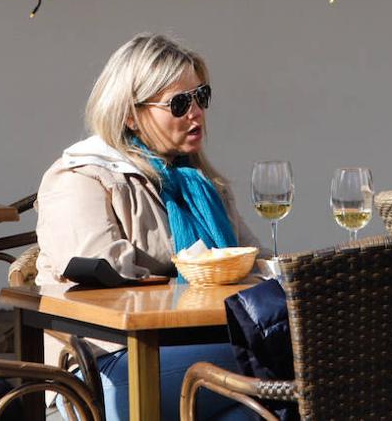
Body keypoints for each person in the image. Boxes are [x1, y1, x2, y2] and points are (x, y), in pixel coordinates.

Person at [36, 33, 262, 421]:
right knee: (291, 352)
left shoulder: (201, 184)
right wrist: (198, 273)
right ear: (129, 114)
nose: (196, 113)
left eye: (201, 97)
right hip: (105, 366)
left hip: (200, 345)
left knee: (260, 412)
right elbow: (102, 272)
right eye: (179, 103)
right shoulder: (82, 176)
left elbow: (251, 262)